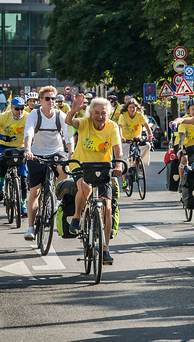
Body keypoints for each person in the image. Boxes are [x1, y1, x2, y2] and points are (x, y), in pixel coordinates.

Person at [65, 95, 123, 264]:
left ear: (108, 114)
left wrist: (118, 165)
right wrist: (73, 110)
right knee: (85, 186)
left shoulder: (112, 127)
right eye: (96, 112)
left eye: (103, 113)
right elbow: (70, 122)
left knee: (107, 207)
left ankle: (105, 249)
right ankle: (77, 217)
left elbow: (118, 150)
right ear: (90, 113)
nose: (99, 116)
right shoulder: (84, 122)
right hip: (81, 165)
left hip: (102, 168)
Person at [23, 86, 74, 241]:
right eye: (48, 99)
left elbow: (69, 136)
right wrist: (27, 150)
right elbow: (29, 132)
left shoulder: (61, 115)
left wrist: (70, 154)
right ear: (41, 101)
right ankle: (31, 228)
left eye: (53, 98)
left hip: (56, 151)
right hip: (37, 153)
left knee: (64, 169)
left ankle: (56, 198)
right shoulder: (34, 114)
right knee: (35, 192)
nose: (51, 101)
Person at [0, 97, 28, 216]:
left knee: (23, 177)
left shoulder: (27, 116)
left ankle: (23, 205)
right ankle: (0, 183)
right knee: (3, 162)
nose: (20, 111)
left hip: (20, 148)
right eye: (17, 109)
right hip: (3, 146)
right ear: (11, 108)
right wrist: (2, 137)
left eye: (22, 108)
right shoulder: (3, 116)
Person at [118, 98, 153, 192]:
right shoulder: (123, 115)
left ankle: (140, 163)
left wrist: (150, 134)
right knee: (124, 160)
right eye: (130, 107)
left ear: (136, 108)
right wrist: (121, 137)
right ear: (127, 108)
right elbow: (120, 127)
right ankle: (125, 182)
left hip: (137, 138)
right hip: (126, 139)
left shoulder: (139, 115)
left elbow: (146, 125)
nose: (132, 109)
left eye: (134, 107)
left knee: (147, 146)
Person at [173, 99, 194, 188]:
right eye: (193, 109)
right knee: (184, 159)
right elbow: (181, 134)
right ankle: (181, 181)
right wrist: (181, 146)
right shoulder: (184, 120)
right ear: (188, 111)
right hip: (182, 144)